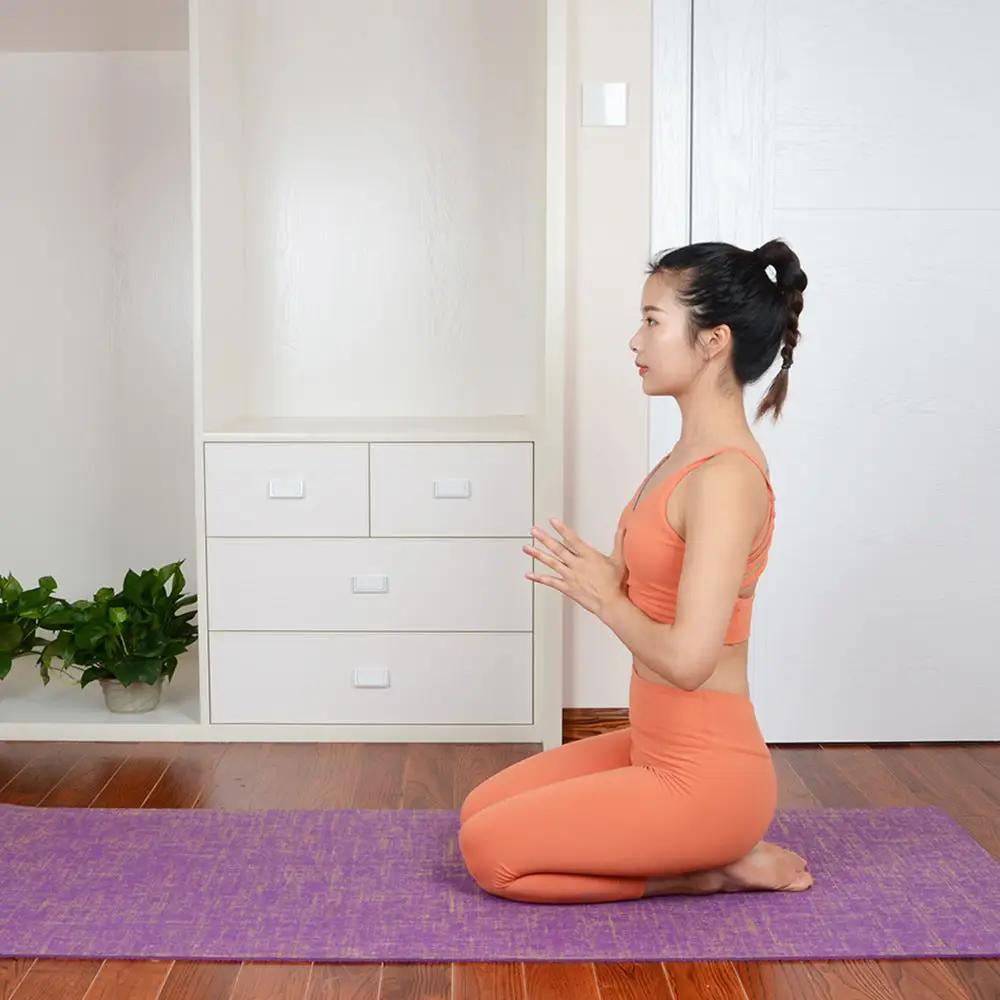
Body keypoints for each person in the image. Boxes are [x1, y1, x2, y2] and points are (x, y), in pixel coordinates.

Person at [457, 239, 814, 903]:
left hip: (705, 775)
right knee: (480, 810)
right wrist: (601, 573)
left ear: (713, 341)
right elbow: (647, 583)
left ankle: (706, 869)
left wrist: (604, 598)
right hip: (650, 742)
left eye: (653, 321)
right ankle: (709, 854)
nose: (635, 339)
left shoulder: (727, 478)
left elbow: (688, 661)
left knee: (491, 855)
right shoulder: (686, 453)